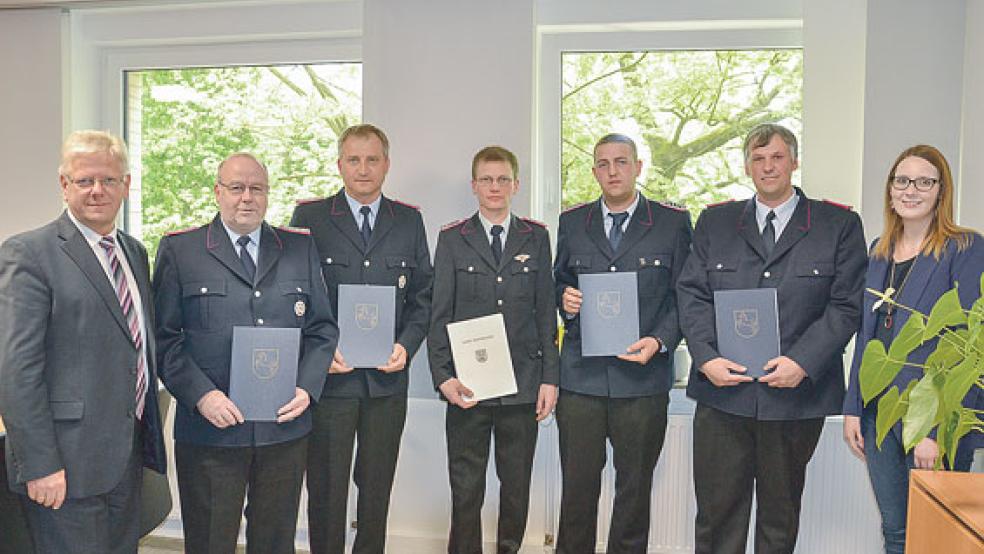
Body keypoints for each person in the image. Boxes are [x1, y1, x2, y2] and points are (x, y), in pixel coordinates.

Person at [676, 123, 867, 554]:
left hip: (794, 396)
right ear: (747, 167)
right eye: (758, 159)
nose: (768, 167)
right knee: (717, 516)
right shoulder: (716, 221)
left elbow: (846, 306)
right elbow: (690, 295)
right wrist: (705, 358)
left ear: (795, 162)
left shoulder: (837, 223)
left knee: (779, 520)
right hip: (723, 393)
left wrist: (803, 361)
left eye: (777, 157)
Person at [153, 152, 338, 554]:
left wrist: (307, 389)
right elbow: (164, 340)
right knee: (209, 542)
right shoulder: (181, 250)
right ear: (218, 192)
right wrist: (203, 395)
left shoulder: (297, 248)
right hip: (211, 432)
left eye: (257, 189)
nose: (246, 198)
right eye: (236, 188)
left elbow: (322, 329)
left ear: (268, 195)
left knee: (275, 543)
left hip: (283, 430)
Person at [0, 130, 167, 553]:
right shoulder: (29, 254)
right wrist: (39, 465)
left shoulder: (133, 251)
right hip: (64, 468)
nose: (98, 190)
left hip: (125, 461)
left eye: (109, 180)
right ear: (64, 185)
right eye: (85, 180)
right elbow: (17, 371)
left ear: (126, 185)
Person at [290, 124, 433, 554]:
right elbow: (294, 295)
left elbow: (423, 297)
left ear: (386, 164)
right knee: (327, 489)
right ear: (340, 165)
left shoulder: (407, 220)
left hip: (386, 383)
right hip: (331, 380)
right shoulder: (311, 218)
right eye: (354, 159)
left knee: (377, 488)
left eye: (373, 159)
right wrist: (317, 352)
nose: (363, 168)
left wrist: (406, 346)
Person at [553, 133, 692, 552]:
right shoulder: (573, 222)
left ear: (638, 167)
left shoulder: (671, 222)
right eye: (603, 164)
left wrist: (660, 339)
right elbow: (559, 281)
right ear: (594, 170)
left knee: (634, 493)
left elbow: (686, 295)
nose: (612, 171)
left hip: (642, 379)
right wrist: (566, 301)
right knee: (577, 491)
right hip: (581, 379)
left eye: (620, 162)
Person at [842, 145, 984, 554]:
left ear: (941, 191)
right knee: (896, 530)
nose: (911, 190)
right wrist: (855, 406)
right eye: (901, 181)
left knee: (936, 535)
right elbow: (868, 339)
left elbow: (968, 348)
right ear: (890, 190)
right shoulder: (878, 251)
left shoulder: (965, 248)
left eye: (924, 182)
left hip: (933, 415)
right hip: (880, 412)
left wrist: (934, 431)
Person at [428, 146, 559, 553]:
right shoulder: (452, 239)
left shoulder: (536, 237)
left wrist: (550, 379)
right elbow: (439, 315)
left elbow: (545, 314)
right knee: (466, 489)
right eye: (486, 179)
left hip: (521, 385)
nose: (495, 187)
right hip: (467, 388)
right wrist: (444, 377)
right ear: (474, 186)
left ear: (516, 185)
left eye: (503, 179)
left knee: (516, 486)